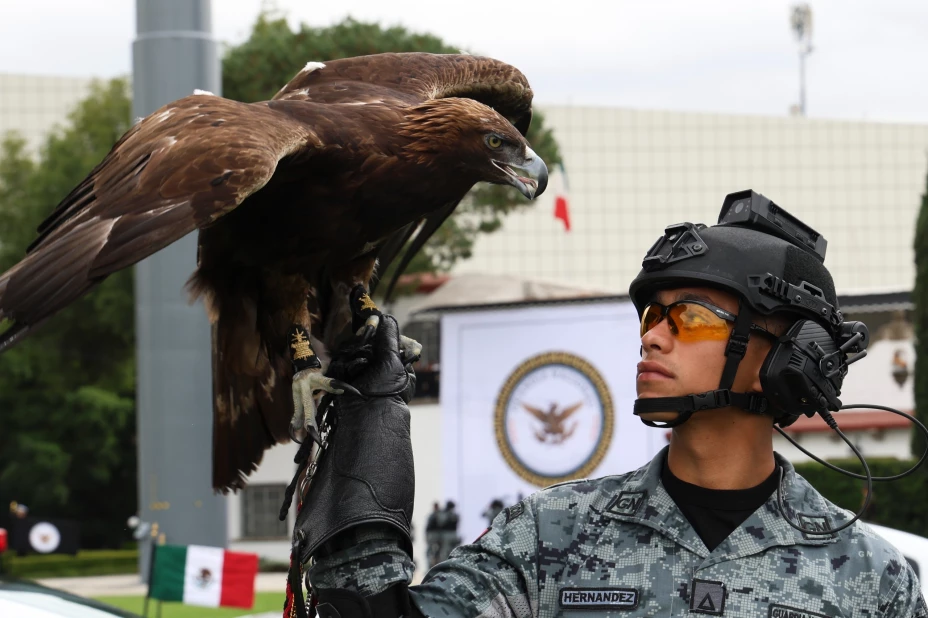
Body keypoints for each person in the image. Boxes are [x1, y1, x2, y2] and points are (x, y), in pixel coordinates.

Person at [287, 190, 927, 618]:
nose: (653, 336)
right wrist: (367, 430)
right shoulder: (550, 535)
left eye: (689, 317)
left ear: (789, 357)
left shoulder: (872, 579)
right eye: (651, 315)